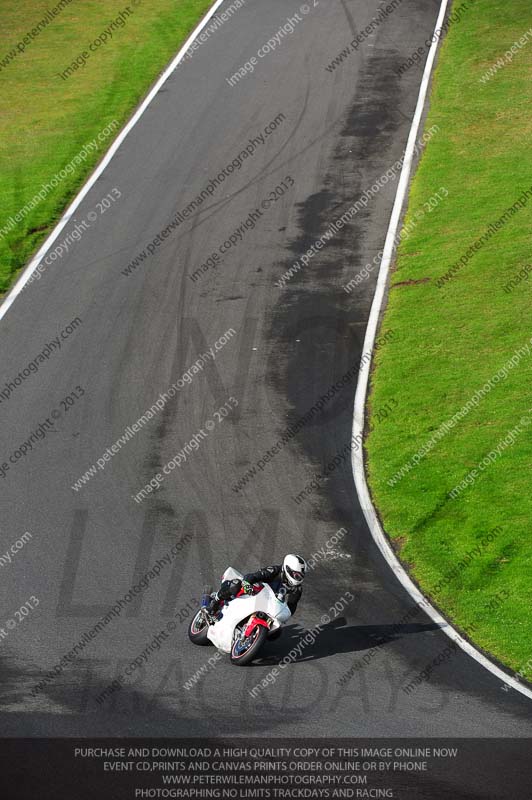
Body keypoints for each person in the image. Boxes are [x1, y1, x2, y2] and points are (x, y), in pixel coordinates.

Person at [206, 554, 307, 616]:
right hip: (254, 591)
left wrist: (283, 616)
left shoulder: (297, 589)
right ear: (288, 569)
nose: (298, 578)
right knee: (236, 585)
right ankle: (215, 601)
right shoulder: (274, 571)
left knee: (276, 633)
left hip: (269, 604)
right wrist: (246, 584)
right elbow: (253, 576)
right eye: (296, 575)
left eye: (301, 575)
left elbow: (291, 607)